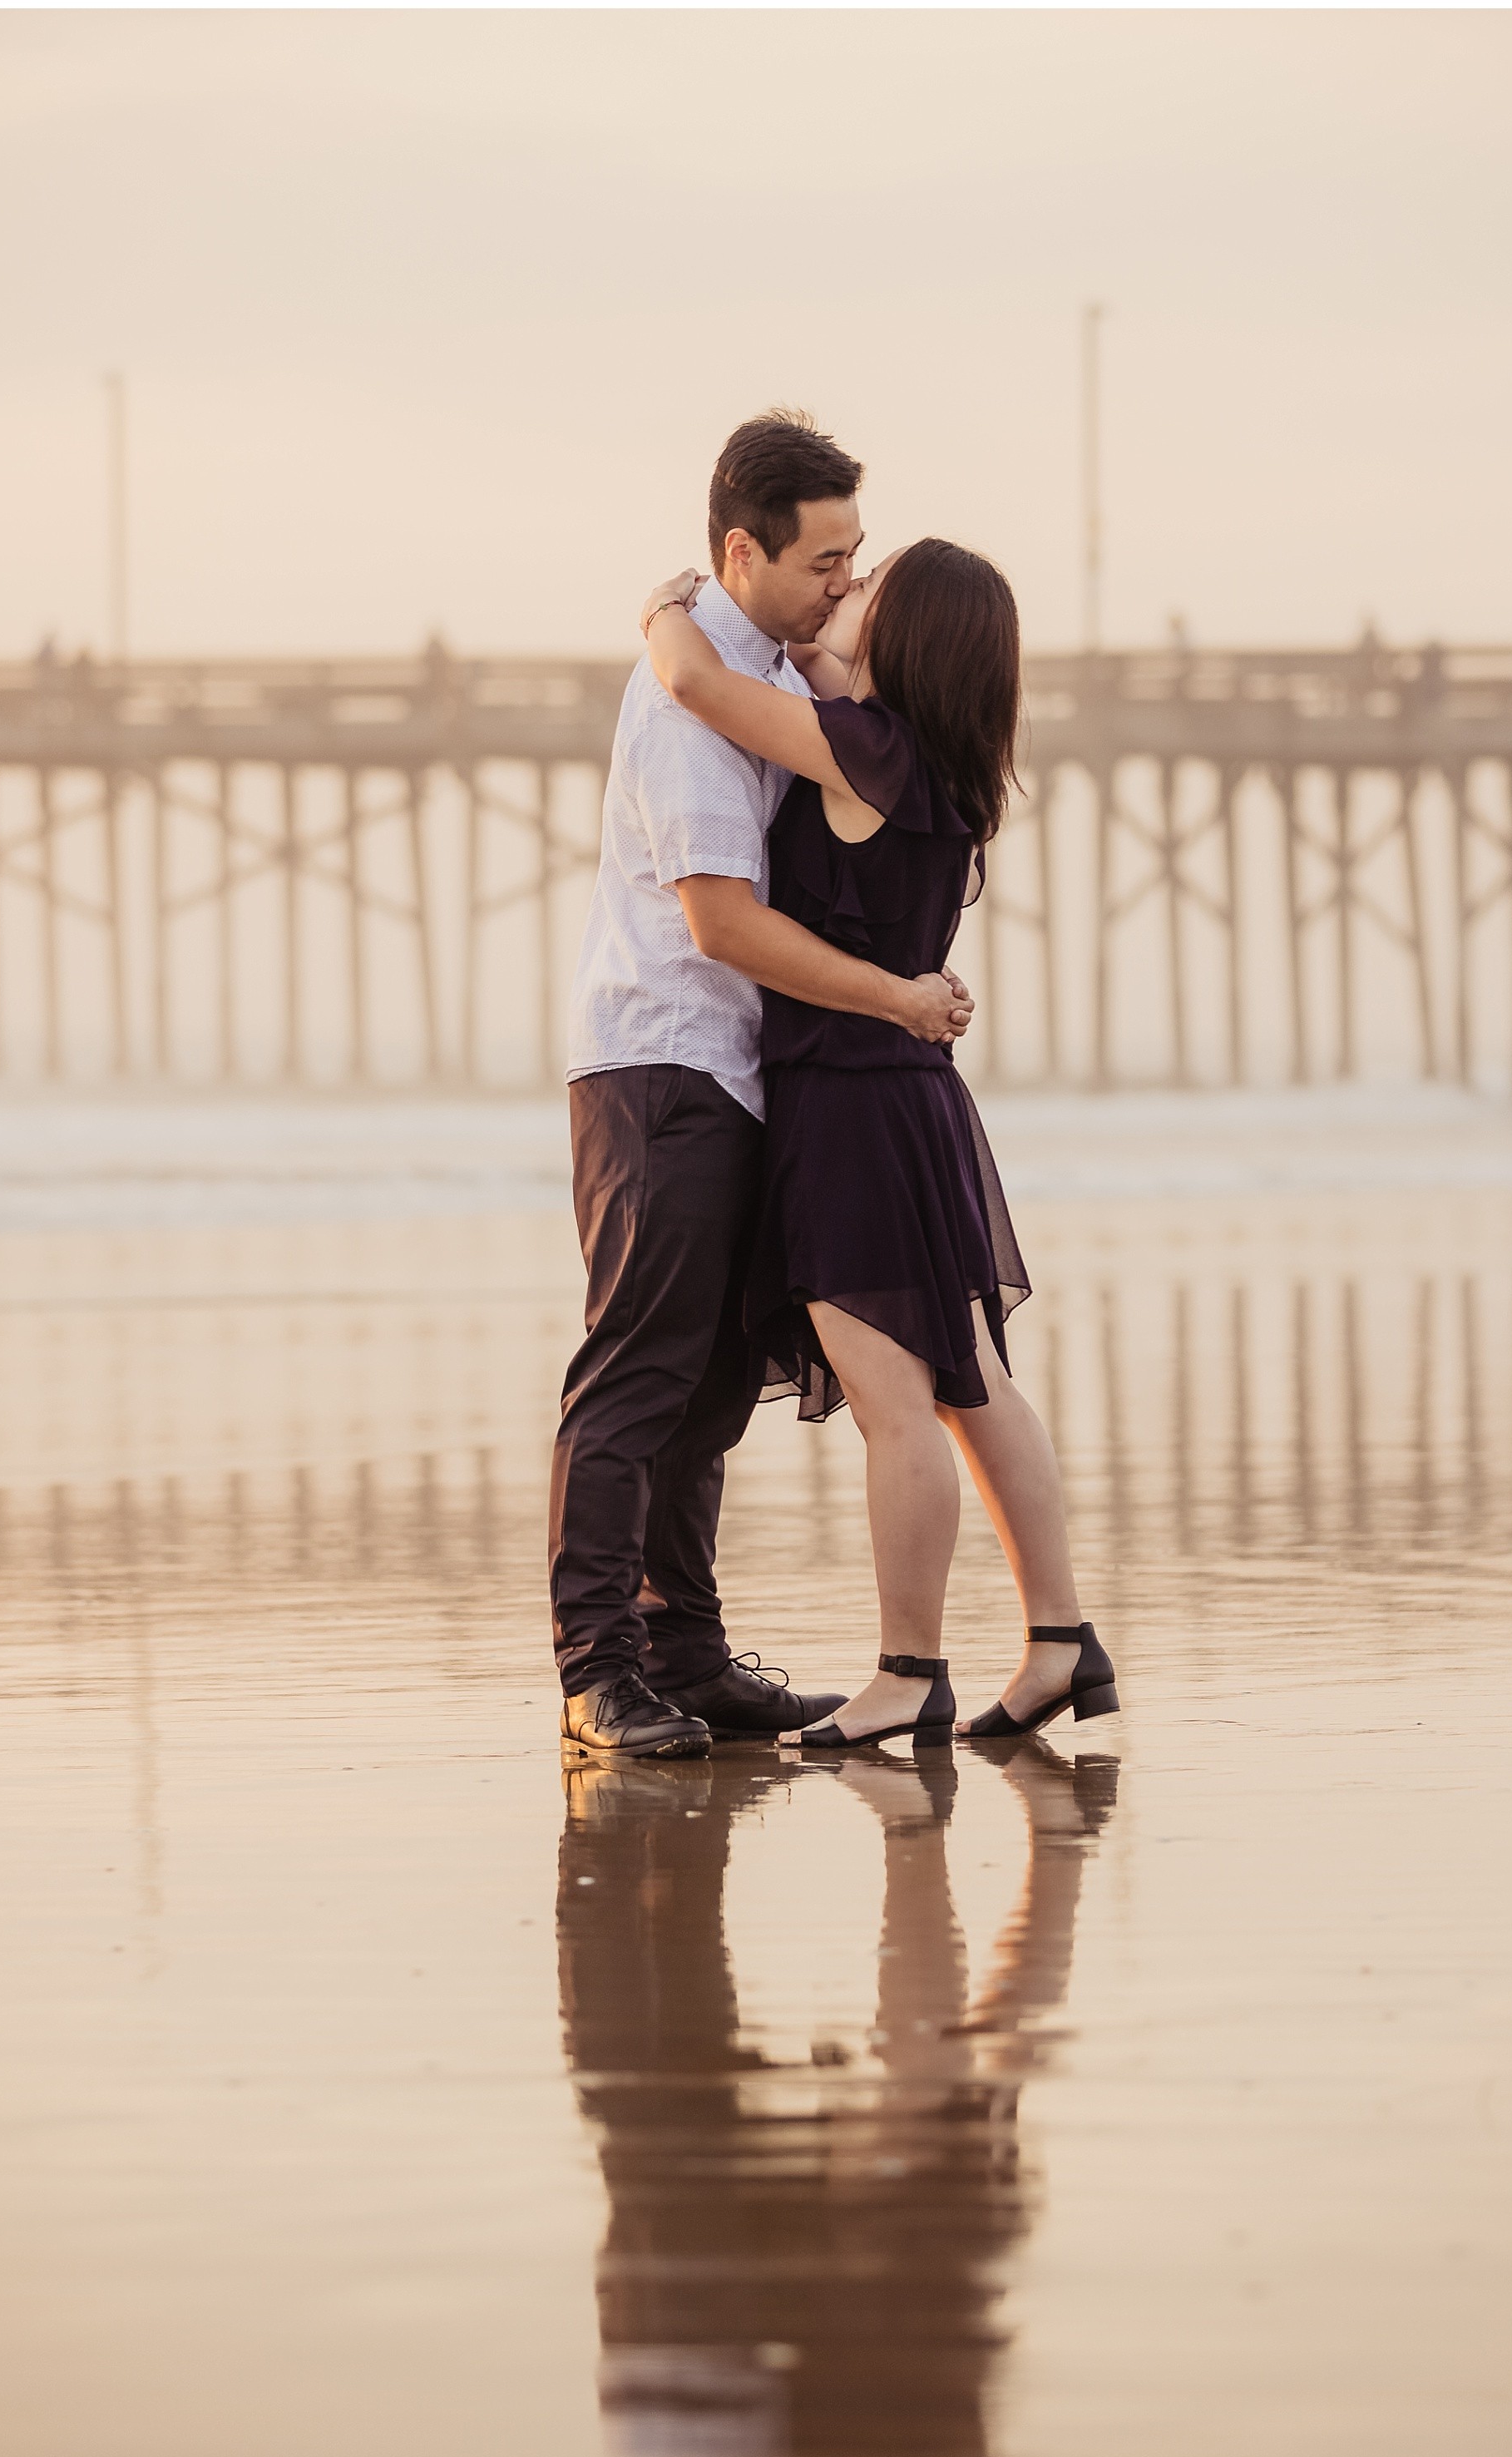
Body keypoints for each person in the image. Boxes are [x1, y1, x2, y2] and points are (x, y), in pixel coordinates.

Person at [640, 540, 1120, 1749]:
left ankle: (910, 1668)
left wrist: (663, 613)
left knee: (898, 1405)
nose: (839, 593)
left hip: (849, 1107)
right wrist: (823, 656)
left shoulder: (865, 751)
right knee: (971, 1381)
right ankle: (1060, 1636)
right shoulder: (935, 769)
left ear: (903, 640)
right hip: (914, 1096)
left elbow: (698, 688)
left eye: (865, 589)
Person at [552, 413, 977, 1761]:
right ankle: (598, 1667)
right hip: (661, 1060)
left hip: (738, 1076)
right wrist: (901, 999)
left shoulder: (765, 684)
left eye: (856, 558)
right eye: (824, 563)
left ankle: (684, 1652)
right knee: (638, 1370)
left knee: (715, 1380)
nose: (847, 586)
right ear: (742, 552)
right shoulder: (697, 698)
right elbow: (722, 925)